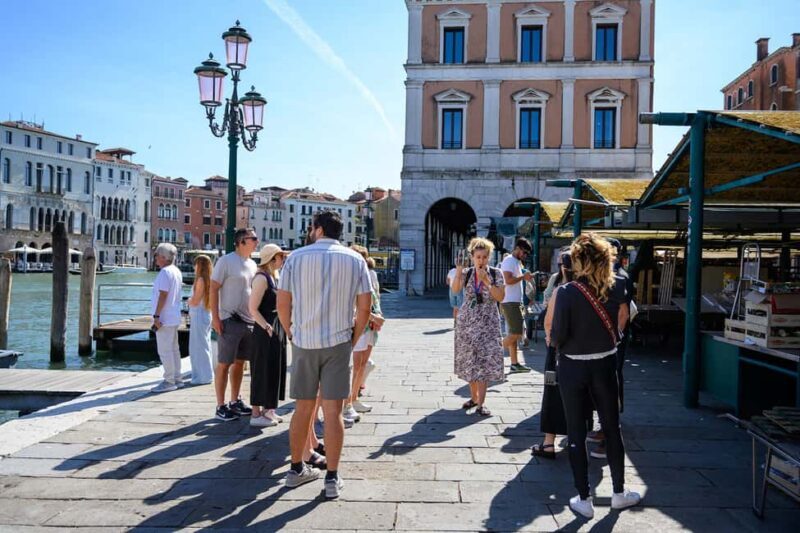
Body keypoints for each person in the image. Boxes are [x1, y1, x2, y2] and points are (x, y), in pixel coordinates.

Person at [277, 210, 372, 499]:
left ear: (318, 229)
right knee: (333, 413)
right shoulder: (355, 259)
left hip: (304, 341)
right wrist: (353, 338)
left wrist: (291, 332)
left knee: (302, 409)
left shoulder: (295, 258)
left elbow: (283, 303)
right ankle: (332, 477)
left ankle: (296, 469)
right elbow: (365, 307)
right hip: (338, 342)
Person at [550, 233, 641, 519]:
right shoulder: (619, 285)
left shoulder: (567, 292)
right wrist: (612, 338)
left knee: (576, 431)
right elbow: (623, 318)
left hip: (573, 366)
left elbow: (557, 335)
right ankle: (619, 493)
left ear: (579, 260)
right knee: (612, 428)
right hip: (605, 363)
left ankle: (583, 498)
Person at [451, 237, 506, 416]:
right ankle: (473, 397)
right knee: (469, 360)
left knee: (484, 361)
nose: (481, 260)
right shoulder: (467, 273)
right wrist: (458, 272)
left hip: (488, 323)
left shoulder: (496, 273)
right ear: (472, 257)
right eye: (478, 257)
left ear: (489, 257)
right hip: (468, 322)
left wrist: (487, 282)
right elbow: (455, 290)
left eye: (484, 257)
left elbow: (500, 297)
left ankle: (481, 404)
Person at [210, 227, 259, 421]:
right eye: (253, 238)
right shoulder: (226, 261)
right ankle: (220, 405)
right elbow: (213, 288)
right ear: (242, 241)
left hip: (249, 321)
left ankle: (234, 400)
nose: (256, 241)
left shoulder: (252, 264)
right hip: (229, 319)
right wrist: (215, 318)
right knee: (224, 363)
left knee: (240, 362)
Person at [533, 252, 572, 459]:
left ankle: (549, 442)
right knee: (579, 396)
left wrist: (551, 342)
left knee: (552, 391)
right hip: (581, 353)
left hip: (557, 352)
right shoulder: (592, 288)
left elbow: (548, 322)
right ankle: (576, 440)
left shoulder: (561, 290)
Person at [248, 244, 289, 428]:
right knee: (261, 370)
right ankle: (256, 413)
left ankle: (268, 409)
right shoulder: (261, 278)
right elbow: (252, 308)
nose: (283, 260)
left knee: (274, 369)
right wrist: (265, 325)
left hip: (275, 329)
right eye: (281, 257)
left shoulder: (273, 276)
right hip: (265, 330)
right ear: (272, 258)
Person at [343, 246, 385, 423]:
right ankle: (346, 404)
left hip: (370, 326)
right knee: (354, 365)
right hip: (359, 325)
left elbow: (374, 299)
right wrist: (374, 317)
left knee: (362, 364)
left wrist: (377, 316)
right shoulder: (349, 278)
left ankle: (354, 399)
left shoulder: (367, 275)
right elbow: (354, 306)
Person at [150, 243, 184, 393]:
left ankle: (169, 381)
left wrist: (156, 316)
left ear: (163, 257)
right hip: (174, 316)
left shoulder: (164, 273)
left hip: (164, 318)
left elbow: (163, 295)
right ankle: (177, 378)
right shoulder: (176, 271)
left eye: (157, 255)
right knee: (174, 349)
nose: (155, 258)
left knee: (165, 350)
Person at [500, 237, 534, 374]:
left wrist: (525, 276)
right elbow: (507, 280)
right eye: (524, 252)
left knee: (513, 333)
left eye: (527, 254)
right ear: (518, 248)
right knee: (517, 333)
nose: (525, 255)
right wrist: (523, 277)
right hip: (510, 302)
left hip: (515, 301)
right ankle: (491, 351)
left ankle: (514, 364)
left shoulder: (516, 262)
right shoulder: (509, 261)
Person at [187, 255, 214, 385]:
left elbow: (195, 301)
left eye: (195, 264)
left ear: (199, 265)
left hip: (198, 314)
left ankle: (202, 377)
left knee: (198, 347)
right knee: (204, 345)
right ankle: (205, 374)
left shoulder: (200, 280)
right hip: (206, 313)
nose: (194, 267)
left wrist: (188, 300)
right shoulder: (210, 280)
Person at [446, 258, 464, 328]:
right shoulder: (463, 271)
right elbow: (463, 282)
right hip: (459, 289)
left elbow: (447, 281)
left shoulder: (451, 271)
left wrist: (452, 284)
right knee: (460, 307)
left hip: (451, 290)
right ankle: (458, 322)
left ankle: (455, 321)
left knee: (455, 307)